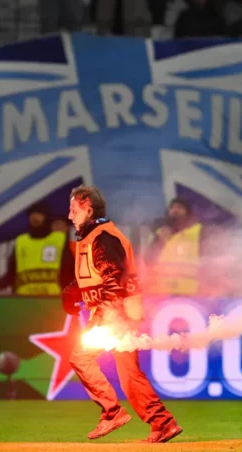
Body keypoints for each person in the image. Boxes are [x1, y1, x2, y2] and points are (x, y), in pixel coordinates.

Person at [62, 185, 182, 443]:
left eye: (73, 210)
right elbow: (92, 278)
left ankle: (112, 412)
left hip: (116, 313)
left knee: (81, 357)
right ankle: (163, 423)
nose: (70, 215)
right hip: (121, 312)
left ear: (88, 209)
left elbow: (112, 281)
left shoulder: (102, 238)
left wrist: (104, 317)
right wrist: (71, 292)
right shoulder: (93, 237)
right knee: (129, 374)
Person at [0, 202, 74, 295]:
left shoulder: (59, 240)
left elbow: (69, 270)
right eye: (32, 214)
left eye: (39, 214)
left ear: (47, 217)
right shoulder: (21, 241)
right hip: (24, 298)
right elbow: (12, 272)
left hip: (52, 298)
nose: (35, 217)